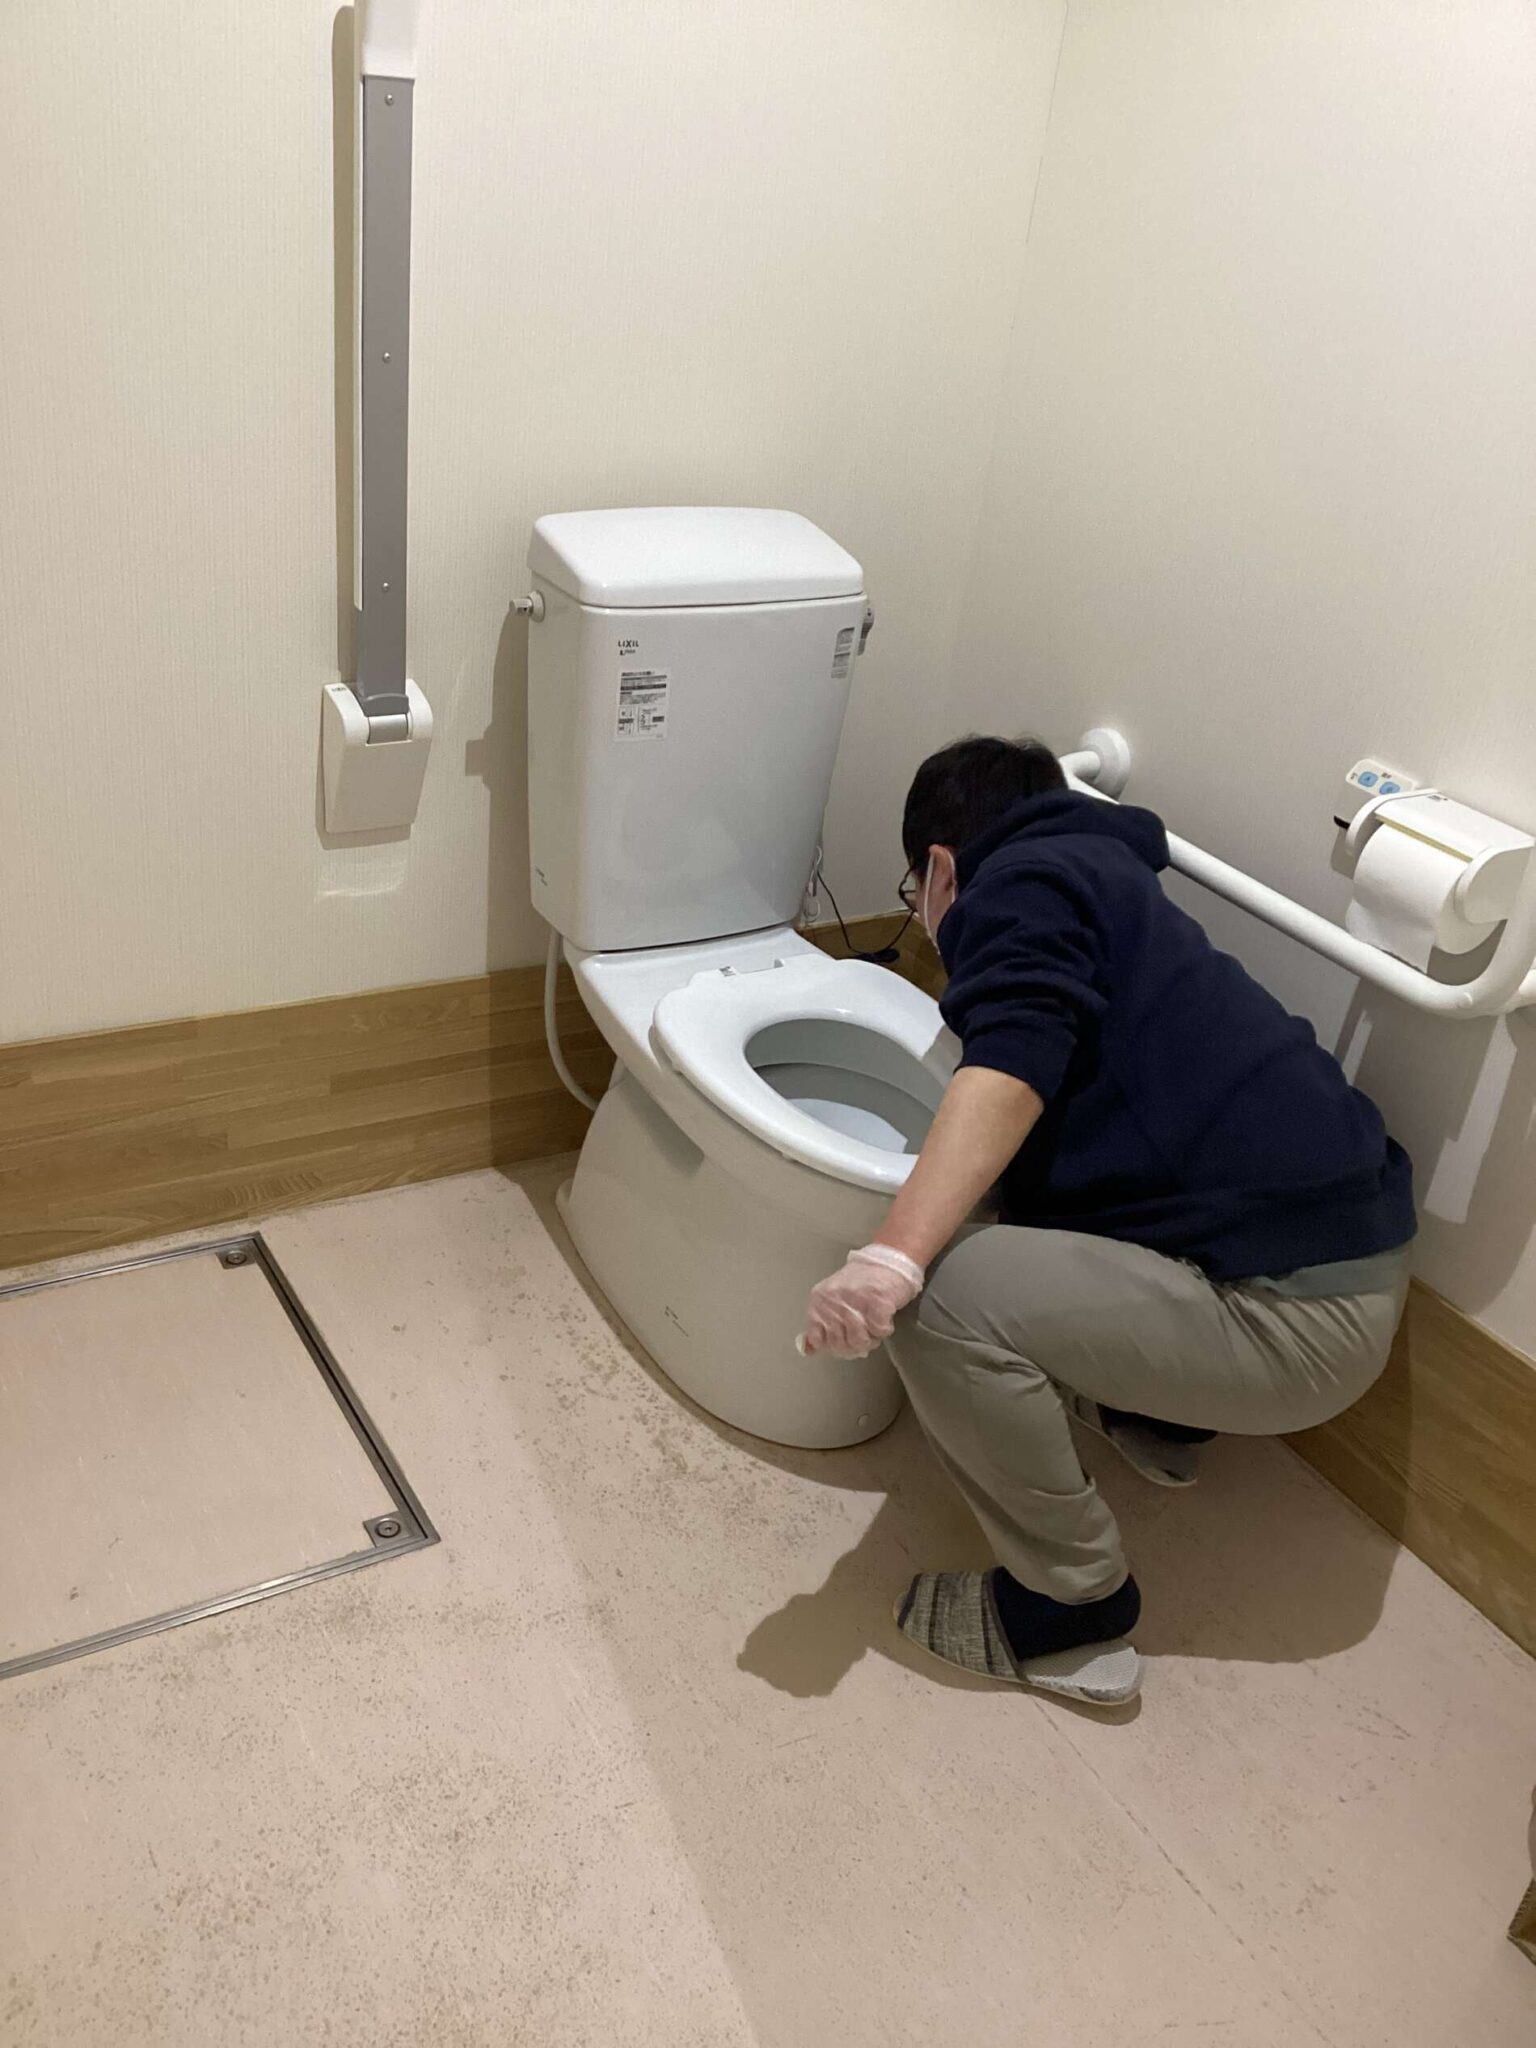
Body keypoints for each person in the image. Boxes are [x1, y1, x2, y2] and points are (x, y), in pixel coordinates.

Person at [799, 736, 1415, 1705]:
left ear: (942, 871)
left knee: (941, 1302)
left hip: (1296, 1316)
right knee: (1027, 1189)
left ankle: (1068, 1610)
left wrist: (891, 1258)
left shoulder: (1014, 888)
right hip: (1340, 1250)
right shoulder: (1104, 874)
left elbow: (1008, 1068)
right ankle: (1161, 1415)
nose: (923, 915)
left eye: (915, 892)